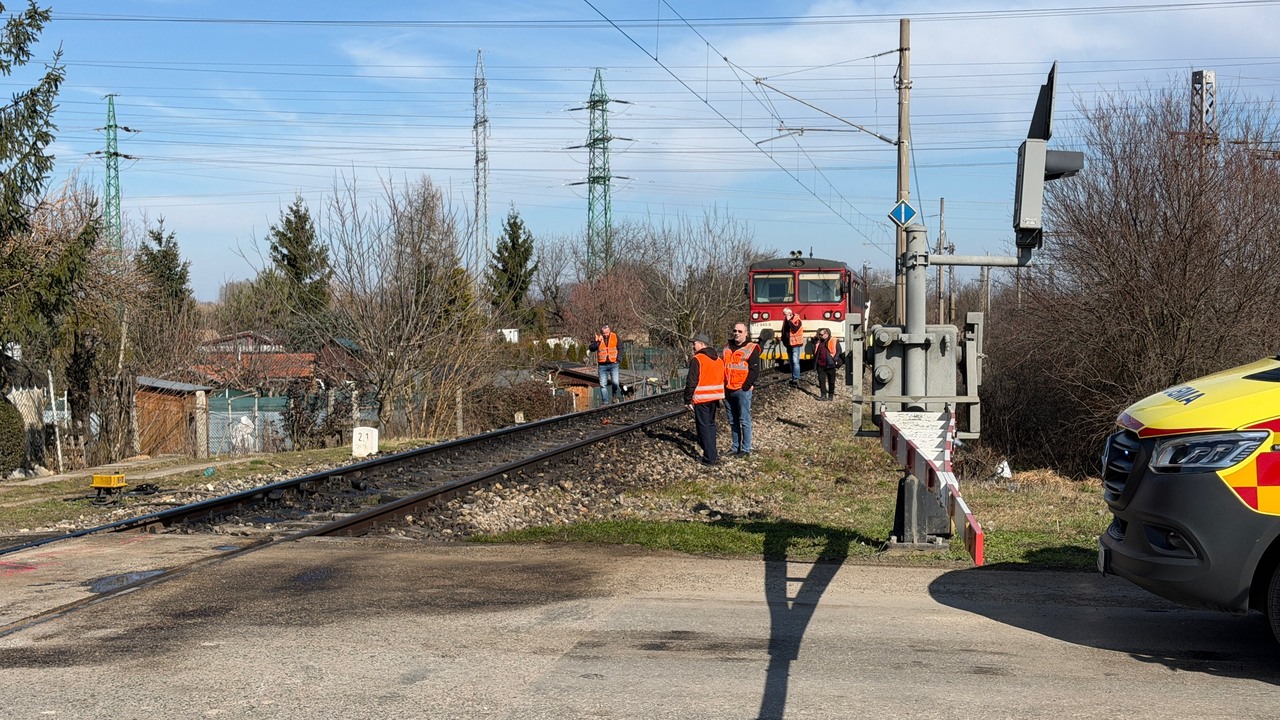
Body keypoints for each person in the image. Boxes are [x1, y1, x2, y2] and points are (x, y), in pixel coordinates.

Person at [684, 333, 725, 466]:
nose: (692, 345)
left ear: (701, 344)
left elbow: (691, 381)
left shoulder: (698, 359)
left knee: (704, 427)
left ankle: (710, 458)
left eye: (694, 343)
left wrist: (687, 399)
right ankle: (713, 453)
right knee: (711, 426)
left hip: (702, 399)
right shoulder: (718, 359)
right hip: (715, 397)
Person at [722, 323, 760, 459]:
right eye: (734, 330)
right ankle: (735, 446)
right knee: (733, 420)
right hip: (727, 388)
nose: (736, 333)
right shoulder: (726, 347)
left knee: (744, 420)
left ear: (746, 333)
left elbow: (755, 370)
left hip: (741, 389)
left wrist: (745, 386)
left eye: (739, 331)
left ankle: (745, 448)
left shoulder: (752, 348)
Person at [589, 323, 621, 404]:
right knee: (603, 384)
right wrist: (597, 343)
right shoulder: (598, 339)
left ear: (609, 331)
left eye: (606, 333)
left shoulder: (615, 336)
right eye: (604, 333)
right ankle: (605, 402)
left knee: (615, 383)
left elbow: (621, 348)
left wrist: (619, 359)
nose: (605, 334)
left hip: (614, 364)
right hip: (602, 365)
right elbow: (591, 348)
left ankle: (614, 396)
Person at [813, 327, 844, 401]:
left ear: (826, 334)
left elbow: (838, 351)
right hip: (821, 364)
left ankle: (831, 395)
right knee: (821, 381)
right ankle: (823, 395)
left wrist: (835, 360)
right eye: (819, 335)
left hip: (830, 364)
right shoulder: (818, 342)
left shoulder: (833, 340)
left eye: (821, 334)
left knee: (831, 381)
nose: (820, 336)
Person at [781, 307, 804, 385]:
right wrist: (783, 340)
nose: (784, 315)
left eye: (785, 314)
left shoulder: (797, 320)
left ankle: (796, 378)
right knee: (791, 362)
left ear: (789, 314)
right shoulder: (785, 320)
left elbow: (795, 328)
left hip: (795, 344)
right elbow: (784, 331)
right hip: (789, 344)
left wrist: (789, 320)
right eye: (784, 314)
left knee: (795, 361)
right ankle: (793, 377)